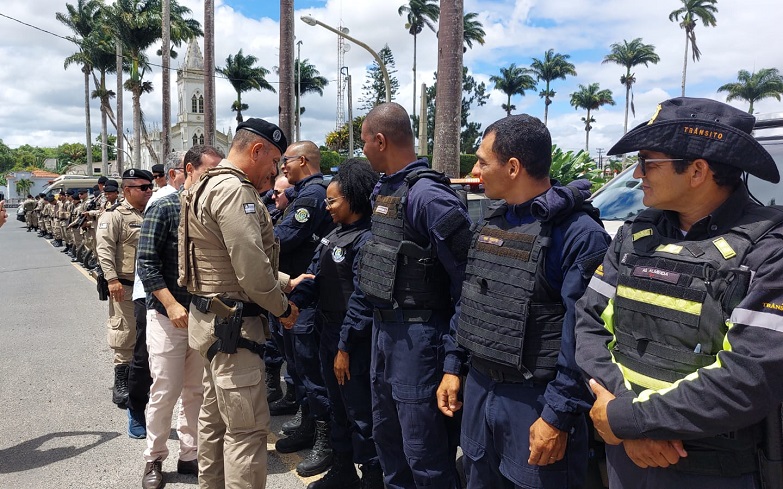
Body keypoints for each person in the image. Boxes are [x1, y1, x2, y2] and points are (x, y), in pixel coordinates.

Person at [574, 97, 783, 489]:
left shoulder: (769, 252)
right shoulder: (633, 235)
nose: (637, 174)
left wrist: (629, 420)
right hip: (627, 456)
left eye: (648, 162)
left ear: (697, 171)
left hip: (712, 470)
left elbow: (751, 374)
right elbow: (589, 324)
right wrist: (628, 421)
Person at [435, 114, 611, 488]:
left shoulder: (579, 234)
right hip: (480, 391)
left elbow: (584, 338)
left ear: (513, 167)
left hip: (536, 404)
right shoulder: (491, 222)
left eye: (482, 162)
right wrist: (453, 366)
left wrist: (557, 416)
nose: (475, 171)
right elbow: (470, 299)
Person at [356, 102, 471, 488]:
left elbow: (468, 282)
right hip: (385, 334)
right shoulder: (385, 189)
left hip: (420, 340)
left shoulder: (429, 197)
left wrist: (453, 362)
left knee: (425, 455)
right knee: (388, 442)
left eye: (364, 142)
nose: (363, 151)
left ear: (380, 141)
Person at [179, 118, 298, 488]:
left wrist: (284, 281)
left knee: (214, 422)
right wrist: (283, 308)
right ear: (257, 150)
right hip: (233, 331)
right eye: (274, 160)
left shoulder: (206, 183)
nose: (275, 170)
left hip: (210, 322)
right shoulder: (234, 190)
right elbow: (251, 269)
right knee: (246, 432)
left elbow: (222, 258)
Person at [288, 159, 384, 489]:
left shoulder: (367, 240)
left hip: (353, 340)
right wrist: (292, 305)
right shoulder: (334, 235)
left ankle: (372, 477)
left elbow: (362, 298)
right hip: (328, 332)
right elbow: (314, 277)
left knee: (360, 413)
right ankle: (343, 470)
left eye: (332, 201)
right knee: (338, 408)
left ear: (353, 198)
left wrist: (345, 347)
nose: (327, 207)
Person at [137, 145, 223, 489]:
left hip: (201, 318)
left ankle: (190, 454)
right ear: (189, 170)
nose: (214, 178)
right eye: (208, 171)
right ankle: (154, 458)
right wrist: (171, 304)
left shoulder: (213, 209)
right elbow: (146, 263)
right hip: (167, 317)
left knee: (196, 391)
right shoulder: (164, 207)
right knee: (164, 390)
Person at [273, 141, 335, 478]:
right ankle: (308, 423)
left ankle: (325, 439)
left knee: (311, 370)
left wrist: (256, 238)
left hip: (307, 296)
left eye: (286, 160)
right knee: (298, 366)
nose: (282, 166)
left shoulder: (312, 195)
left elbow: (284, 237)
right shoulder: (303, 193)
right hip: (294, 294)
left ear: (302, 160)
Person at [127, 151, 188, 440]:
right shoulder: (162, 202)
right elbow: (147, 260)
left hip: (185, 301)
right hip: (153, 295)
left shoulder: (200, 202)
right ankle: (136, 410)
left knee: (190, 378)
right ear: (176, 173)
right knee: (145, 358)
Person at [96, 168, 154, 409]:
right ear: (127, 190)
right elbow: (104, 249)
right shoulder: (114, 216)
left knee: (149, 335)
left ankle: (144, 378)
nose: (149, 191)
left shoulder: (153, 211)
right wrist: (111, 279)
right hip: (125, 285)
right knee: (126, 334)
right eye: (143, 187)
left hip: (151, 286)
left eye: (150, 187)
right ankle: (122, 380)